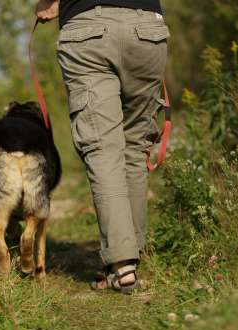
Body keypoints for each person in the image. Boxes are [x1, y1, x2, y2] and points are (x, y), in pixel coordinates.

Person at [35, 0, 169, 294]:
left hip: (88, 33)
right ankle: (133, 254)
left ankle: (122, 266)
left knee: (103, 149)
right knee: (134, 147)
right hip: (147, 30)